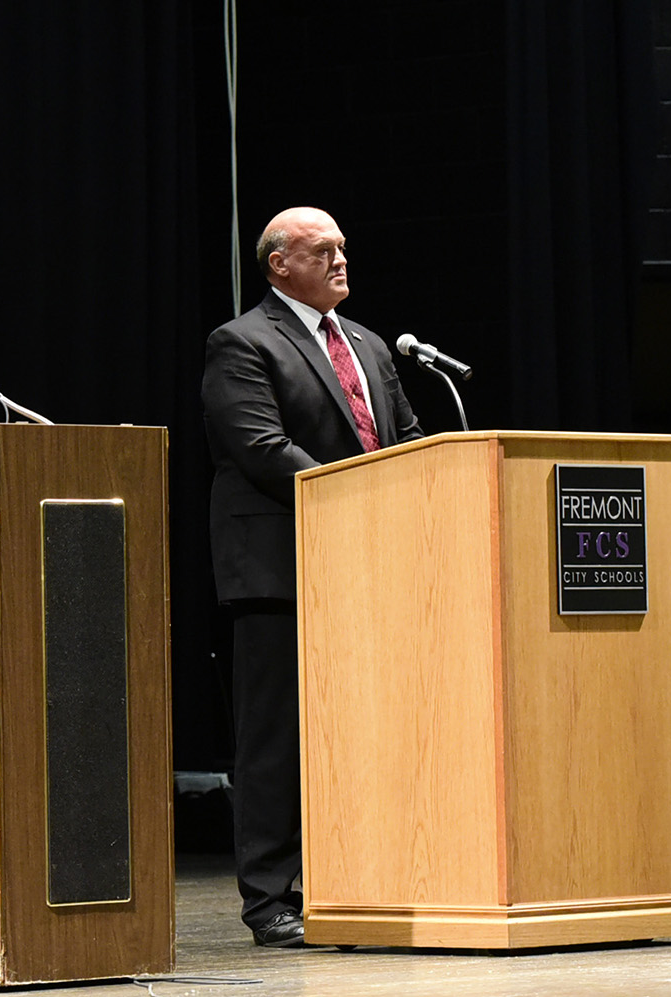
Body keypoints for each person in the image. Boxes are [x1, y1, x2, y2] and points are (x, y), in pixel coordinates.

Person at [201, 207, 423, 948]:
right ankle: (270, 899)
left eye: (343, 249)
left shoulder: (367, 343)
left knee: (364, 730)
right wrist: (359, 499)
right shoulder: (241, 341)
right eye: (321, 250)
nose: (339, 261)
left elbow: (407, 437)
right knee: (276, 739)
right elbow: (263, 449)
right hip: (279, 570)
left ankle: (354, 880)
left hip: (368, 565)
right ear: (277, 265)